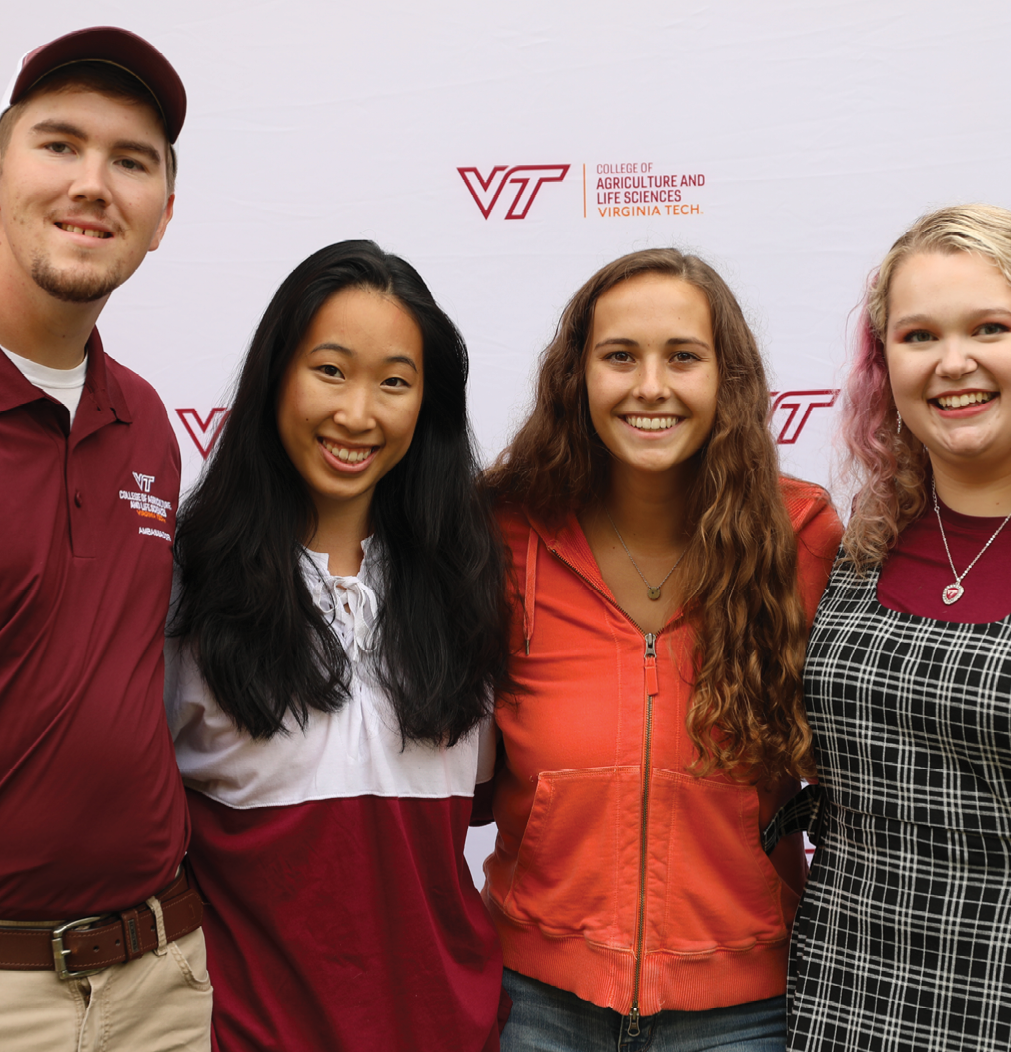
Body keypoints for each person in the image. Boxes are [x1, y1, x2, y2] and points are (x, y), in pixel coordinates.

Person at [482, 248, 842, 1051]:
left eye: (683, 357)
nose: (651, 387)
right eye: (620, 357)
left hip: (744, 1010)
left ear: (727, 380)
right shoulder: (506, 534)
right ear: (577, 378)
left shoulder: (801, 539)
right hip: (538, 1000)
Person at [166, 240, 513, 1051]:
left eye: (394, 382)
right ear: (276, 377)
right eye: (330, 370)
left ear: (426, 405)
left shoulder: (472, 585)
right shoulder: (186, 581)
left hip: (452, 1031)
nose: (358, 414)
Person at [0, 26, 211, 1052]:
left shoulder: (148, 422)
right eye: (59, 144)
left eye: (132, 161)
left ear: (163, 215)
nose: (94, 183)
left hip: (159, 981)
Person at [787, 204, 1011, 1052]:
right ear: (884, 366)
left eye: (989, 327)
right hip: (840, 1006)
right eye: (918, 336)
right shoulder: (858, 552)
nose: (953, 362)